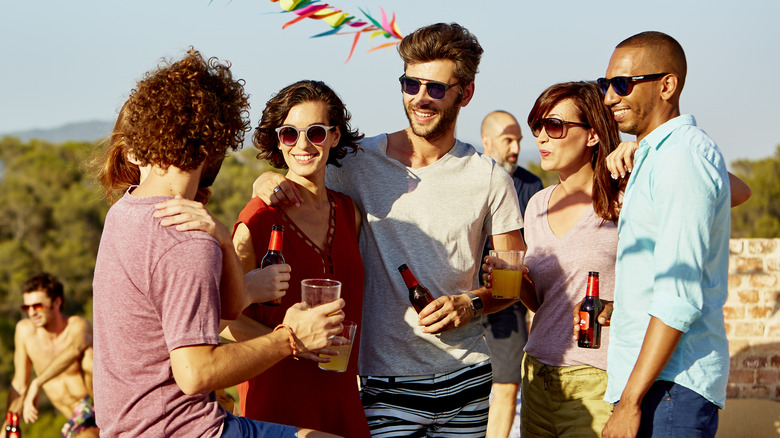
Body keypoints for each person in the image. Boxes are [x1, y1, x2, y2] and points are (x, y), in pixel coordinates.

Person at [253, 22, 526, 437]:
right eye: (410, 83)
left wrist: (470, 303)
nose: (419, 98)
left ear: (465, 93)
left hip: (467, 382)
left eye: (435, 88)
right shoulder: (355, 163)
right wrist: (264, 183)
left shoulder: (490, 177)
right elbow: (299, 174)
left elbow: (512, 283)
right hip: (383, 385)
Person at [92, 48, 343, 437]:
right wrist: (289, 340)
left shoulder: (125, 211)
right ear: (216, 140)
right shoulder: (185, 240)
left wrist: (225, 245)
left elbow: (204, 314)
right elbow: (195, 374)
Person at [594, 31, 730, 437]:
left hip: (669, 388)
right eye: (605, 85)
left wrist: (631, 402)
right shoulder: (663, 155)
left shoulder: (683, 157)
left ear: (667, 85)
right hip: (654, 382)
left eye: (622, 84)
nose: (608, 98)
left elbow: (678, 294)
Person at [221, 80, 369, 437]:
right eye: (290, 134)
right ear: (278, 140)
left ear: (334, 137)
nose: (303, 145)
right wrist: (289, 342)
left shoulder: (349, 211)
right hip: (277, 404)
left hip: (342, 398)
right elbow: (225, 318)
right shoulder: (257, 218)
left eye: (316, 132)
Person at [483, 81, 623, 437]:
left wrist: (646, 156)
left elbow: (731, 191)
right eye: (538, 126)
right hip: (538, 373)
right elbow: (541, 303)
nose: (542, 138)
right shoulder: (536, 205)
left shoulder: (622, 198)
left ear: (592, 134)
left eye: (555, 126)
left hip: (597, 379)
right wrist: (512, 280)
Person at [480, 110, 543, 438]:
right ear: (486, 141)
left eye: (519, 139)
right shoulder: (470, 176)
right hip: (466, 297)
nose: (516, 146)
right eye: (508, 139)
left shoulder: (532, 185)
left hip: (508, 302)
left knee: (506, 384)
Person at [4, 273, 98, 438]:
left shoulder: (77, 326)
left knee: (89, 355)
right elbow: (19, 385)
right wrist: (10, 425)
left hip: (99, 408)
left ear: (57, 302)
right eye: (27, 308)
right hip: (78, 423)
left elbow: (76, 348)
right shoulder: (25, 332)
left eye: (37, 306)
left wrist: (37, 383)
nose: (31, 313)